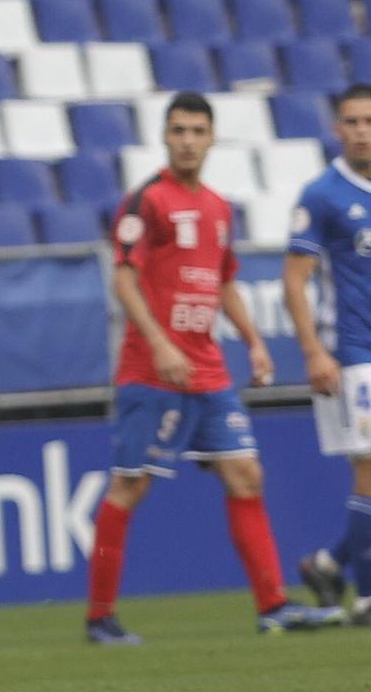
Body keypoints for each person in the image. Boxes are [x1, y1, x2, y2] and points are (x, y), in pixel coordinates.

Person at [83, 93, 343, 645]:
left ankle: (273, 606)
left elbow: (222, 282)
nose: (187, 140)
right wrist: (160, 344)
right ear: (164, 136)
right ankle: (100, 617)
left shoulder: (220, 208)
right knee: (129, 487)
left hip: (208, 368)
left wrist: (253, 343)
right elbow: (123, 280)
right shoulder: (145, 201)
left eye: (197, 130)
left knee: (246, 474)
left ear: (211, 137)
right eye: (178, 130)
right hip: (152, 370)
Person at [285, 84, 371, 620]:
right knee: (369, 471)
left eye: (369, 120)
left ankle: (331, 566)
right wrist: (314, 351)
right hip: (353, 352)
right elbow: (295, 281)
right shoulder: (321, 195)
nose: (361, 130)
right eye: (352, 122)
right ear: (336, 129)